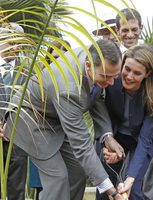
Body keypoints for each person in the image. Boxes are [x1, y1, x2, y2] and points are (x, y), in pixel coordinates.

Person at [2, 39, 127, 200]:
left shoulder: (96, 51)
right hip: (30, 119)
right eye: (105, 76)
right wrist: (113, 192)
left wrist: (107, 136)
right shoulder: (68, 89)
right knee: (57, 177)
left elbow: (97, 97)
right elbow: (81, 144)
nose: (110, 82)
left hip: (56, 118)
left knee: (78, 170)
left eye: (114, 76)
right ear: (88, 65)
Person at [96, 44, 153, 200]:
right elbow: (100, 115)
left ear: (147, 74)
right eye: (127, 69)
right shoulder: (111, 82)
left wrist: (130, 179)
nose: (129, 76)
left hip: (142, 137)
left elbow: (144, 140)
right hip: (116, 133)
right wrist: (107, 143)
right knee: (105, 186)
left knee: (133, 188)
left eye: (137, 73)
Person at [28, 39, 71, 200]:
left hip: (66, 142)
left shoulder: (74, 82)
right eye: (54, 56)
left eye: (63, 56)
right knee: (44, 188)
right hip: (42, 141)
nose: (58, 60)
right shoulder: (36, 80)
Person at [0, 22, 28, 200]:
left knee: (16, 192)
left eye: (18, 42)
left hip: (18, 141)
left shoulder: (30, 71)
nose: (14, 46)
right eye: (9, 41)